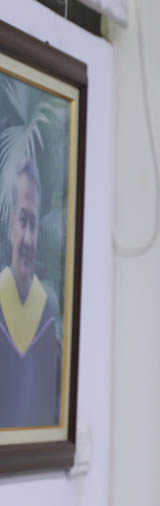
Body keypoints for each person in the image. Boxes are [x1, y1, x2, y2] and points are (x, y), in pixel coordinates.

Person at [0, 157, 61, 429]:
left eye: (33, 224)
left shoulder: (45, 317)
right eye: (23, 221)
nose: (27, 238)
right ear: (11, 225)